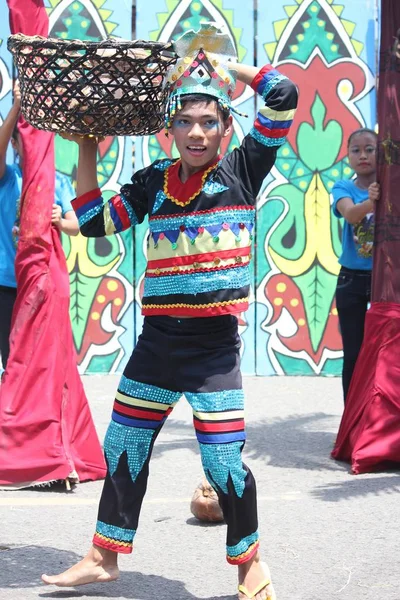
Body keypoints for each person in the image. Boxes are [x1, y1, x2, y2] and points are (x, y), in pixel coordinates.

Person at [41, 24, 297, 599]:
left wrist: (228, 70)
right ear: (169, 129)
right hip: (156, 344)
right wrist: (85, 144)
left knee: (224, 463)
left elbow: (282, 96)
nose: (197, 132)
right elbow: (96, 220)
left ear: (227, 129)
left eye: (209, 122)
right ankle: (104, 556)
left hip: (212, 351)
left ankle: (248, 564)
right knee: (123, 446)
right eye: (185, 121)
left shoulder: (241, 172)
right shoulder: (155, 182)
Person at [0, 84, 79, 370]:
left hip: (43, 283)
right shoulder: (8, 177)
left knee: (43, 360)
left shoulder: (58, 181)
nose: (34, 147)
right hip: (7, 286)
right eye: (26, 141)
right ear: (15, 144)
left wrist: (60, 219)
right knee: (12, 362)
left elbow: (76, 225)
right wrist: (16, 108)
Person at [332, 128, 380, 402]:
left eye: (370, 149)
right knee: (353, 354)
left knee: (386, 352)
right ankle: (350, 423)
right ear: (348, 156)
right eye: (356, 150)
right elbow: (350, 214)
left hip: (384, 280)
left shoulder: (393, 188)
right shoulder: (344, 187)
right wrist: (372, 201)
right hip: (350, 281)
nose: (363, 155)